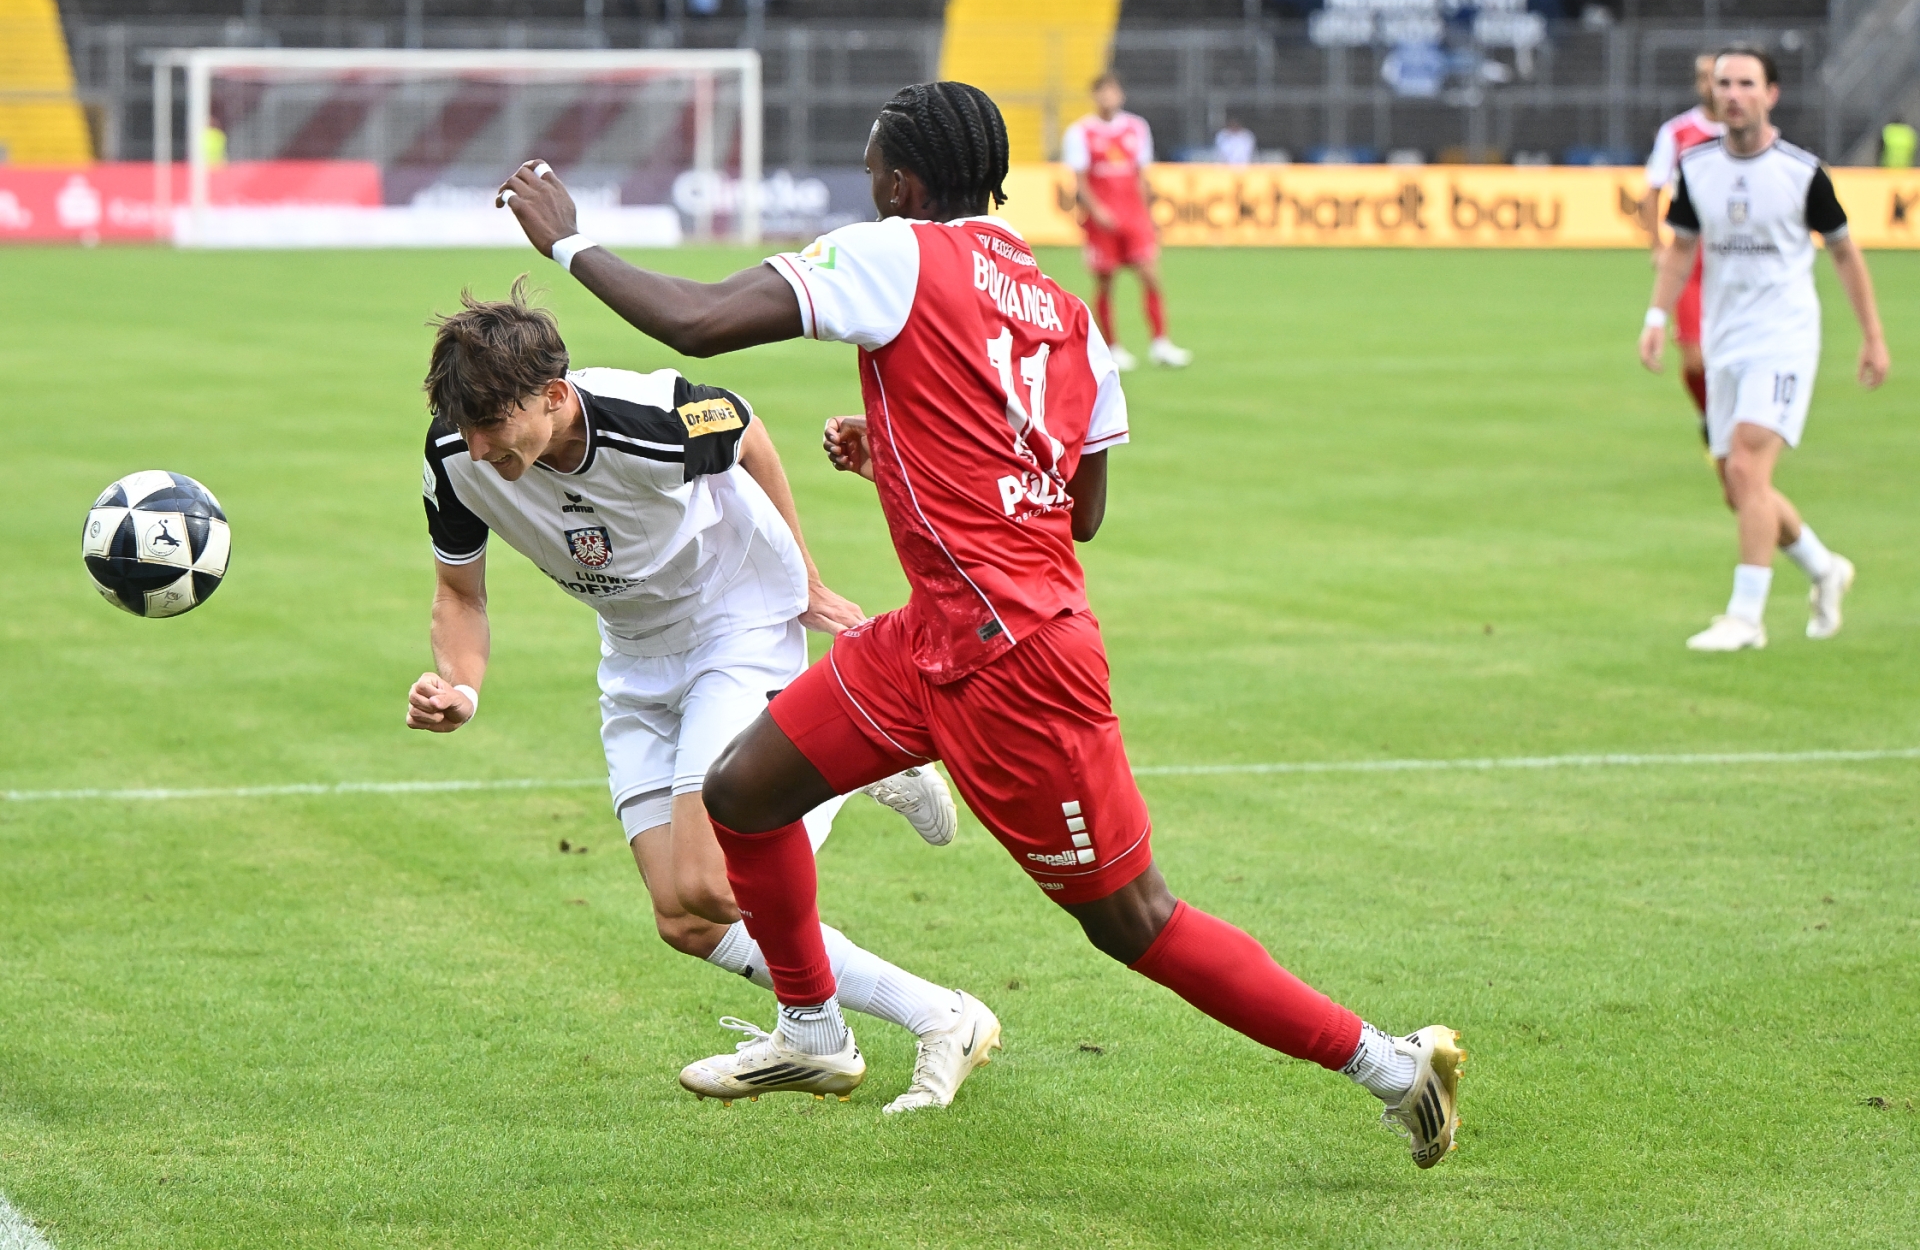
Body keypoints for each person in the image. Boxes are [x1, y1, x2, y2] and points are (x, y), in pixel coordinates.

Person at [493, 80, 1465, 1168]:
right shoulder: (1068, 315)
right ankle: (811, 1030)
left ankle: (1392, 1064)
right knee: (742, 793)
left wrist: (570, 241)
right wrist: (909, 444)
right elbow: (1080, 508)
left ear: (903, 184)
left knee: (1133, 919)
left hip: (1017, 666)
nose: (869, 185)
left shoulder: (897, 251)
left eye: (873, 168)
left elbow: (700, 323)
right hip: (935, 635)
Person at [404, 278, 999, 1112]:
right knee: (685, 917)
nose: (476, 447)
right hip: (634, 655)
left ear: (555, 397)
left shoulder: (646, 419)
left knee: (714, 877)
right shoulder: (455, 459)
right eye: (463, 427)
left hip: (734, 620)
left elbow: (748, 429)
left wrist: (806, 580)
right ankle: (915, 1019)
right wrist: (462, 688)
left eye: (492, 426)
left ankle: (834, 760)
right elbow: (459, 594)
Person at [1638, 46, 1891, 651]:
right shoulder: (1697, 168)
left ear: (1770, 94)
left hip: (1783, 338)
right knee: (1739, 488)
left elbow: (1844, 252)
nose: (1733, 94)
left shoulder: (1802, 173)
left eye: (1746, 84)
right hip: (1724, 338)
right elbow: (1680, 248)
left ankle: (1745, 617)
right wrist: (1656, 316)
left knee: (1748, 468)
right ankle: (1824, 568)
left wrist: (1873, 336)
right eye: (1724, 83)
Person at [1061, 74, 1192, 371]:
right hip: (1102, 220)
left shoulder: (1136, 127)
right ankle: (1111, 347)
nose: (1108, 97)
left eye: (1112, 91)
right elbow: (1079, 180)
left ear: (1120, 95)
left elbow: (1142, 174)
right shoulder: (1081, 132)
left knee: (1150, 275)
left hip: (1134, 216)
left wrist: (1149, 214)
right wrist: (1097, 211)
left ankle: (1161, 343)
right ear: (1094, 97)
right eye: (1102, 92)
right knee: (1105, 282)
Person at [1644, 54, 1725, 441]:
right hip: (1691, 256)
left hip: (1735, 256)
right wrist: (1656, 245)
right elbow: (1652, 190)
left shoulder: (1747, 132)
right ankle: (1713, 420)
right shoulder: (1677, 132)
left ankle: (1731, 426)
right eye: (1705, 77)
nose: (1712, 85)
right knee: (1695, 360)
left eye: (1718, 77)